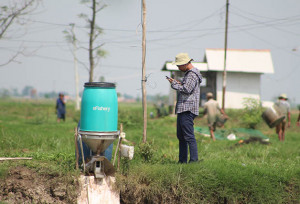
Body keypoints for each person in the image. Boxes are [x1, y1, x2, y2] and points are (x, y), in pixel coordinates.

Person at [167, 53, 202, 163]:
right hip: (183, 109)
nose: (178, 68)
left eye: (179, 65)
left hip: (187, 109)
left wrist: (174, 85)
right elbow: (186, 87)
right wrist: (178, 83)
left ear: (185, 64)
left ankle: (193, 161)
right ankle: (182, 161)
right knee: (181, 136)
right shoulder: (189, 74)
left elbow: (186, 89)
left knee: (188, 136)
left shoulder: (192, 74)